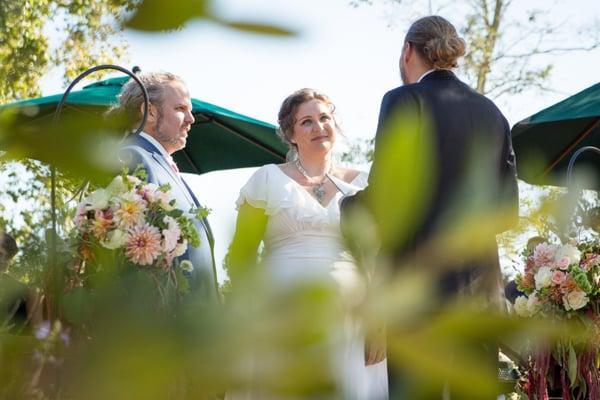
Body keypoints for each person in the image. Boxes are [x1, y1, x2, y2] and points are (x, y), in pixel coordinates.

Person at [340, 16, 519, 399]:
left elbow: (389, 192)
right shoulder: (493, 112)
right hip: (482, 292)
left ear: (408, 52)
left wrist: (347, 207)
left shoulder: (402, 100)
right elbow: (507, 208)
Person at [228, 88, 388, 399]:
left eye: (325, 118)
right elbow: (240, 256)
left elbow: (379, 257)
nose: (319, 127)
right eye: (307, 122)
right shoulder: (267, 179)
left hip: (349, 317)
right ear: (290, 134)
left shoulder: (363, 184)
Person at [116, 71, 218, 303]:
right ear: (150, 112)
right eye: (181, 109)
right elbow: (134, 258)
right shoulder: (133, 157)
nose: (192, 119)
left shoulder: (158, 162)